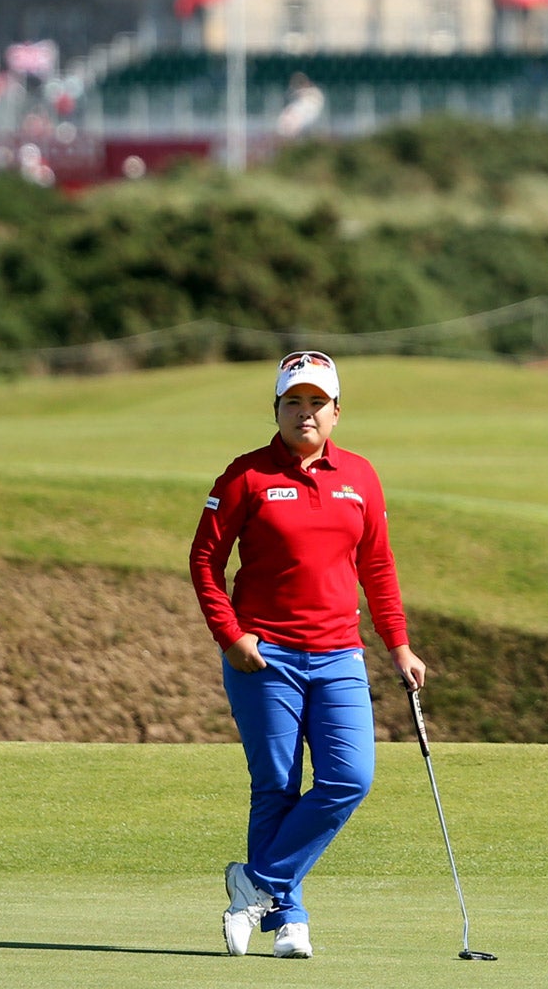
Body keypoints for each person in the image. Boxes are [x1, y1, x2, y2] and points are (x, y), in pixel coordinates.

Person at [189, 350, 426, 960]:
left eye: (317, 403)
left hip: (339, 654)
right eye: (294, 402)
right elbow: (206, 562)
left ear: (336, 412)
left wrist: (397, 644)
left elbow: (377, 567)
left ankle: (258, 884)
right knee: (276, 784)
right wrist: (231, 636)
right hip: (264, 656)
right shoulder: (245, 477)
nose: (306, 413)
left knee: (350, 778)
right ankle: (288, 918)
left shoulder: (361, 478)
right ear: (276, 409)